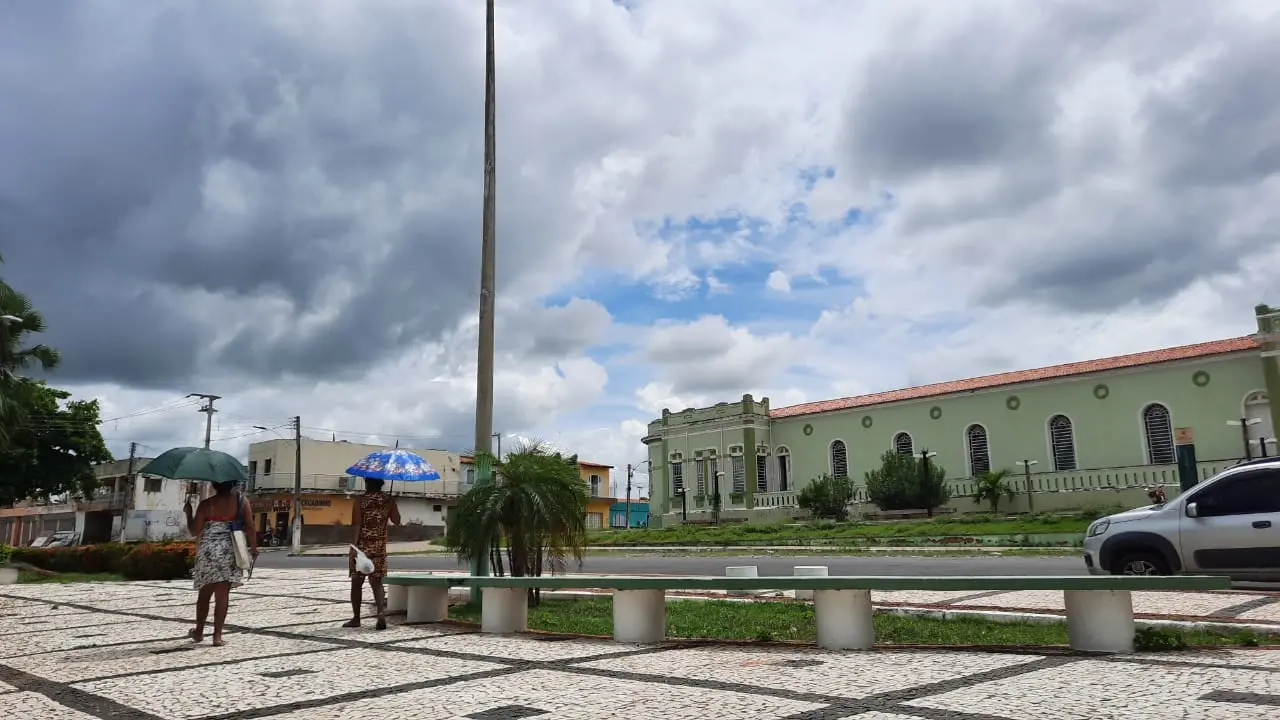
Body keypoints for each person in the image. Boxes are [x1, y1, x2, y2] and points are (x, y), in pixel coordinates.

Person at [185, 480, 257, 646]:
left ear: (214, 486)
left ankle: (199, 631)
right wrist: (253, 548)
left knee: (204, 594)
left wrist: (188, 513)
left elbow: (194, 531)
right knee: (222, 595)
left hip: (208, 551)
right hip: (229, 550)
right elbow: (250, 526)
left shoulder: (206, 505)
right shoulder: (241, 500)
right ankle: (217, 636)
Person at [345, 477, 401, 630]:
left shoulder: (360, 500)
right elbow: (396, 520)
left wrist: (353, 547)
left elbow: (356, 524)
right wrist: (391, 503)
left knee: (357, 583)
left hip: (362, 548)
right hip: (379, 547)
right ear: (381, 484)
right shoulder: (388, 500)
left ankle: (356, 618)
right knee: (377, 582)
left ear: (367, 483)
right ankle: (381, 614)